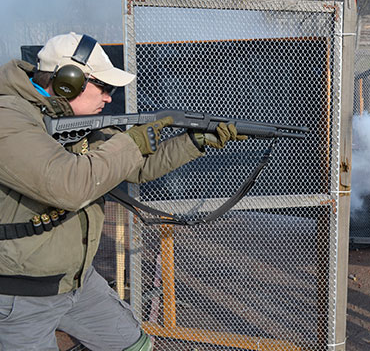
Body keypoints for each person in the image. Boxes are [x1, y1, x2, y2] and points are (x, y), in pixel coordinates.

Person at [0, 32, 246, 350]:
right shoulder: (9, 117)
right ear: (68, 82)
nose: (108, 97)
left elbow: (138, 167)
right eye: (104, 87)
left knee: (134, 345)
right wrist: (131, 142)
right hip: (21, 292)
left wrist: (195, 142)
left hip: (76, 279)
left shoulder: (74, 119)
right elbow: (67, 185)